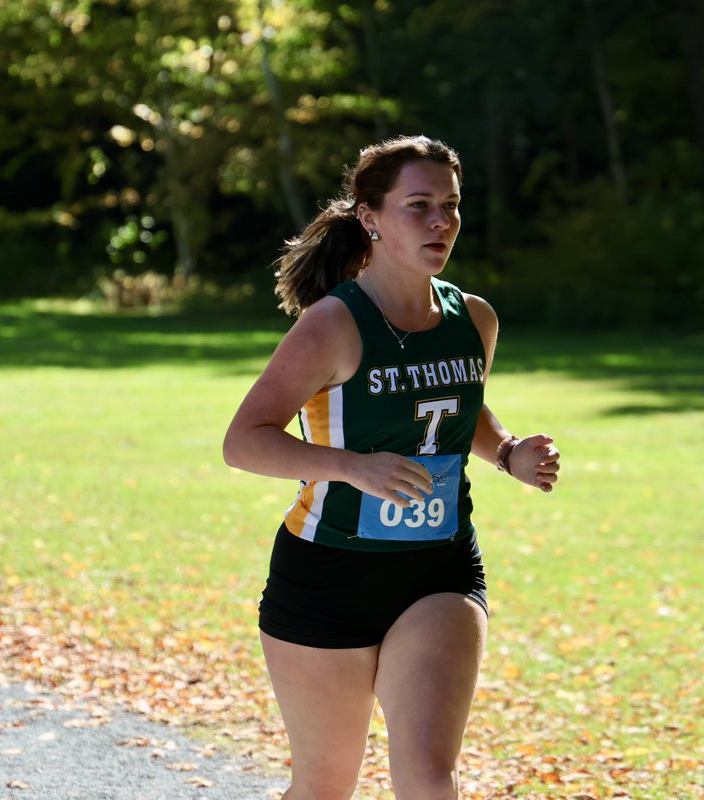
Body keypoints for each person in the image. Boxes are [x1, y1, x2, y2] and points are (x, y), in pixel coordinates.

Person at [223, 135, 561, 799]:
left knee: (431, 781)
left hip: (439, 568)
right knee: (324, 786)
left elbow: (460, 406)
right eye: (419, 206)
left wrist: (508, 452)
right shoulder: (333, 326)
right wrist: (354, 468)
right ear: (371, 218)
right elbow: (245, 440)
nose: (441, 222)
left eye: (451, 206)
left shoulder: (476, 319)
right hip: (328, 575)